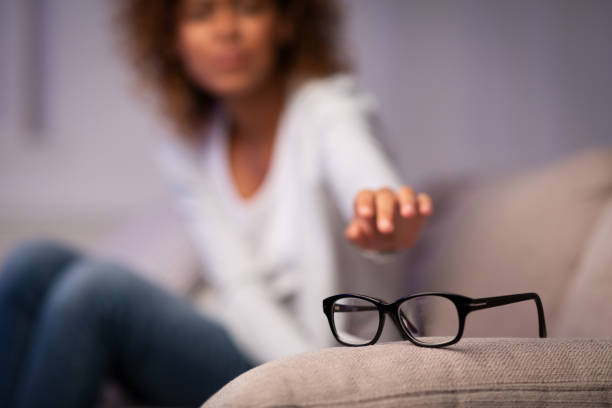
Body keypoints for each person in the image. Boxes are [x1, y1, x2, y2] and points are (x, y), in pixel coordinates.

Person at [0, 0, 433, 406]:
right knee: (33, 262)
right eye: (202, 13)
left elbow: (363, 175)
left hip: (326, 363)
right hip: (258, 346)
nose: (226, 30)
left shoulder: (329, 108)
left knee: (95, 291)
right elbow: (239, 287)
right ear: (173, 37)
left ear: (284, 23)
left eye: (249, 7)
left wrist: (386, 218)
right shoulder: (190, 147)